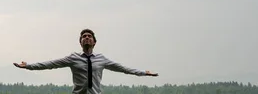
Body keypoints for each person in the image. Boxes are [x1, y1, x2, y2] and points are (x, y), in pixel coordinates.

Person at [14, 28, 158, 94]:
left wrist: (143, 73)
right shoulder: (73, 58)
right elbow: (51, 64)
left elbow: (123, 68)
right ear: (80, 42)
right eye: (84, 36)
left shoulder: (102, 60)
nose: (87, 37)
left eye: (89, 36)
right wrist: (28, 66)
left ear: (94, 42)